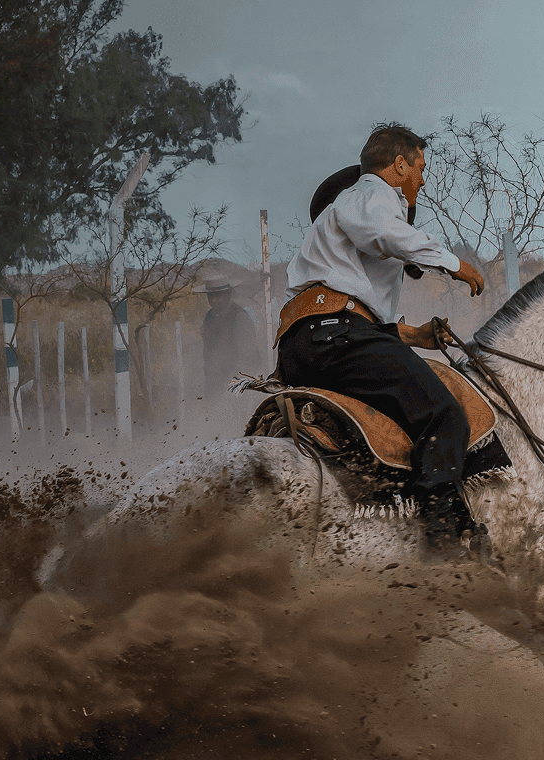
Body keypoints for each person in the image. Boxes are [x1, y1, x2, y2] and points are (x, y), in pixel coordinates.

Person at [274, 122, 487, 559]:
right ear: (399, 164)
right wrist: (453, 264)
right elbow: (384, 234)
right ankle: (444, 540)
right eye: (421, 168)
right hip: (336, 337)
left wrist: (414, 335)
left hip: (308, 341)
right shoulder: (370, 192)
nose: (423, 180)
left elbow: (356, 307)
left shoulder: (348, 219)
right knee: (444, 413)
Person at [194, 274, 259, 396]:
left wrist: (233, 384)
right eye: (210, 295)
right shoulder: (209, 316)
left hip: (235, 382)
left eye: (218, 295)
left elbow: (247, 356)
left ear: (228, 294)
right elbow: (207, 350)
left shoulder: (240, 317)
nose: (213, 300)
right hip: (214, 381)